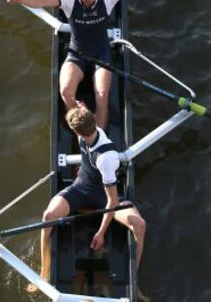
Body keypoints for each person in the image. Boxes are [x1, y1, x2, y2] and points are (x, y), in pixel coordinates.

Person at [7, 0, 178, 129]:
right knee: (66, 93)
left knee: (102, 95)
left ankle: (98, 138)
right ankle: (82, 129)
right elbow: (43, 0)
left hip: (101, 53)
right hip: (77, 53)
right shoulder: (69, 0)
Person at [26, 104, 146, 293]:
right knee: (48, 216)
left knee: (139, 225)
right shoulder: (89, 130)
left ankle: (135, 282)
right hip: (81, 188)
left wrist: (101, 233)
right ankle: (44, 271)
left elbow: (112, 203)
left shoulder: (105, 158)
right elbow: (82, 118)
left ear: (76, 131)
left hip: (105, 196)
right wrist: (78, 105)